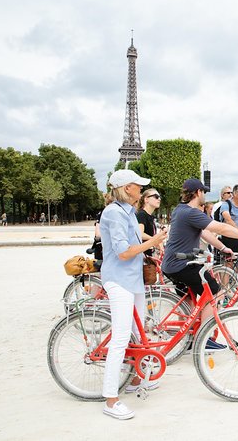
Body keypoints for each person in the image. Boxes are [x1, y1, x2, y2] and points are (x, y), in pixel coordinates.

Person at [99, 169, 168, 420]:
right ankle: (110, 400)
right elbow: (123, 252)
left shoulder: (126, 211)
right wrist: (153, 242)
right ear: (127, 187)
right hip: (119, 279)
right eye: (138, 186)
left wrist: (148, 252)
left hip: (132, 278)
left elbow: (133, 250)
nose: (141, 189)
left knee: (138, 334)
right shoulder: (114, 213)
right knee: (120, 338)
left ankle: (136, 379)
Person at [162, 179, 238, 335]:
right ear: (197, 193)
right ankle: (205, 338)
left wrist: (222, 247)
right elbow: (221, 227)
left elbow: (204, 232)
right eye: (204, 192)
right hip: (182, 264)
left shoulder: (179, 209)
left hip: (171, 264)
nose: (205, 195)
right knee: (214, 292)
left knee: (189, 302)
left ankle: (187, 337)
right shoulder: (191, 212)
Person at [136, 188, 162, 257]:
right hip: (141, 257)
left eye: (160, 197)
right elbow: (140, 234)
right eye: (156, 196)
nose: (159, 199)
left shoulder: (150, 216)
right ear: (146, 199)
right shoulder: (141, 214)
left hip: (147, 255)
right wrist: (155, 240)